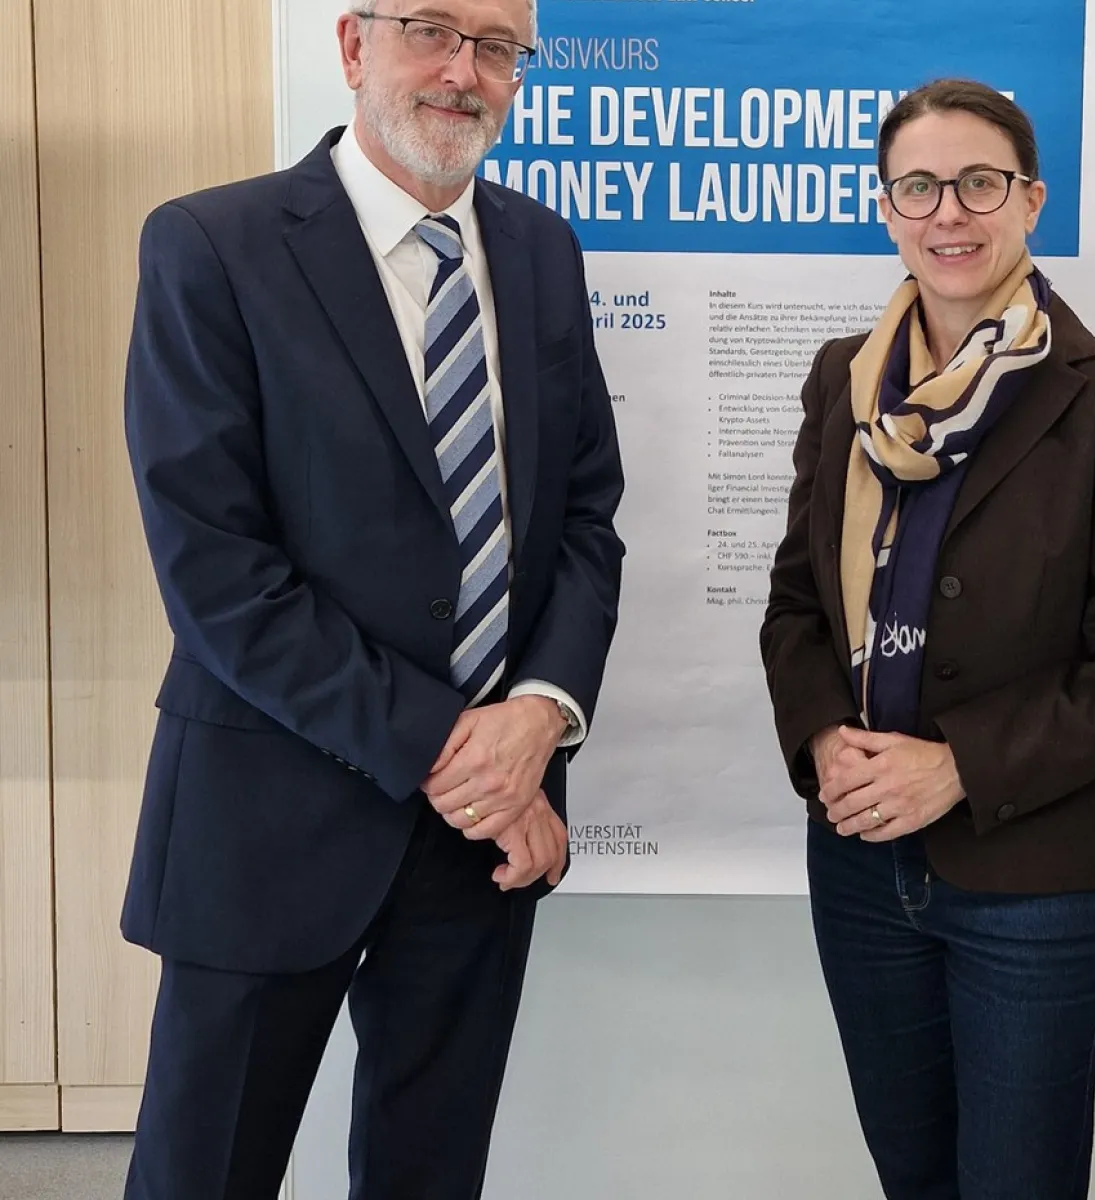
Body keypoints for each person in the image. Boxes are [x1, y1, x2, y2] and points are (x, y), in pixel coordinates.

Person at [118, 1, 624, 1195]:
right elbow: (217, 574)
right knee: (207, 1169)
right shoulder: (212, 243)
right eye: (433, 31)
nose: (466, 71)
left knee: (429, 1172)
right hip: (272, 816)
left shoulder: (543, 250)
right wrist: (462, 749)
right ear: (353, 46)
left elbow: (586, 518)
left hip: (478, 843)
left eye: (498, 47)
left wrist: (541, 713)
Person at [760, 79, 1095, 1199]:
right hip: (861, 866)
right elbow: (797, 607)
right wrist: (822, 740)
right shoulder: (841, 382)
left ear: (1030, 201)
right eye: (917, 186)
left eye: (978, 183)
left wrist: (959, 765)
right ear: (885, 207)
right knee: (912, 1174)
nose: (947, 212)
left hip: (1040, 879)